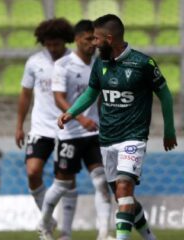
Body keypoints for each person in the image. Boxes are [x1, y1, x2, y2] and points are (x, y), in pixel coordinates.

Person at [58, 14, 177, 240]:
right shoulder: (100, 64)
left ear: (109, 39)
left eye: (96, 38)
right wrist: (71, 112)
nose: (93, 43)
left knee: (123, 189)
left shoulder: (143, 63)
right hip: (107, 138)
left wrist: (169, 131)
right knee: (123, 197)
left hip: (133, 137)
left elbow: (165, 95)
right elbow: (92, 92)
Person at [37, 20, 114, 240]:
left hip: (94, 134)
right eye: (89, 39)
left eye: (95, 39)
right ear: (78, 39)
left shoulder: (100, 64)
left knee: (101, 180)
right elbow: (58, 98)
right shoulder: (64, 65)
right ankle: (43, 223)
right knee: (62, 184)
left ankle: (104, 234)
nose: (93, 43)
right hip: (70, 134)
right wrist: (79, 118)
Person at [14, 18, 78, 239]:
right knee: (33, 172)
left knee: (68, 179)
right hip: (40, 128)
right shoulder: (34, 62)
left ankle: (66, 233)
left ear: (65, 41)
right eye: (48, 44)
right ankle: (47, 221)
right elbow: (25, 95)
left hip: (68, 128)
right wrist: (19, 126)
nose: (52, 48)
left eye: (56, 44)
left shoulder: (75, 61)